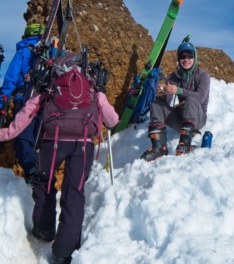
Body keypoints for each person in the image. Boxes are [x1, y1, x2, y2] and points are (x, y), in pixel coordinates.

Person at [0, 54, 119, 264]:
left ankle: (44, 229)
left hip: (52, 142)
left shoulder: (51, 85)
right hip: (83, 144)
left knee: (44, 182)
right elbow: (112, 120)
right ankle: (64, 250)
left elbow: (25, 116)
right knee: (75, 192)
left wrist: (5, 133)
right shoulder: (91, 87)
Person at [141, 36, 210, 161]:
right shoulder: (174, 76)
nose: (186, 59)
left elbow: (200, 98)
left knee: (191, 100)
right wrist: (163, 93)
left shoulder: (203, 75)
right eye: (183, 56)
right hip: (181, 119)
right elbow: (166, 102)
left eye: (190, 56)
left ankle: (185, 144)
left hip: (197, 119)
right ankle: (159, 147)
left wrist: (178, 90)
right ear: (179, 59)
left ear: (195, 58)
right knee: (156, 104)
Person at [0, 23, 46, 185]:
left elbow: (11, 79)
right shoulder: (51, 51)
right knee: (41, 138)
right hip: (49, 102)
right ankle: (42, 170)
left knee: (22, 137)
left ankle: (32, 170)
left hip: (26, 99)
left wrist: (3, 102)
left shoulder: (23, 52)